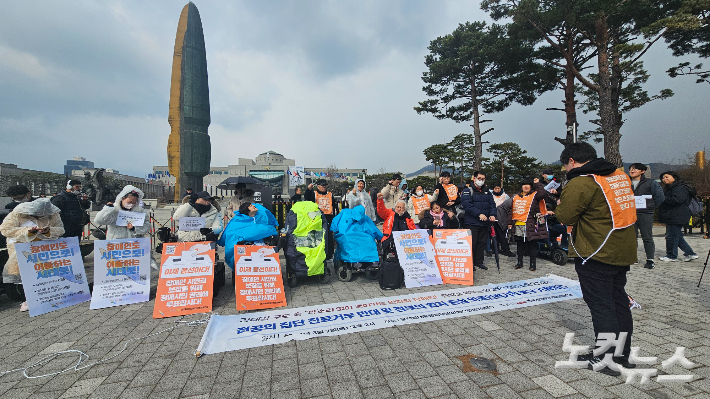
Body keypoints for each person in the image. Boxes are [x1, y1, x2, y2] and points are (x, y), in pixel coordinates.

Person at [555, 142, 637, 376]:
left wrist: (560, 203)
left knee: (602, 306)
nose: (566, 170)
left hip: (596, 250)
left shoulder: (582, 181)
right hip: (621, 249)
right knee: (619, 302)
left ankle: (606, 360)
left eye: (565, 166)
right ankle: (622, 355)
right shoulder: (618, 175)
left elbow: (565, 215)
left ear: (572, 161)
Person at [0, 198, 64, 312]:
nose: (41, 218)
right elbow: (5, 229)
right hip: (22, 249)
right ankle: (29, 300)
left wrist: (48, 231)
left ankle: (47, 297)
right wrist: (28, 231)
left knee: (44, 273)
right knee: (26, 275)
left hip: (44, 248)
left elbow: (60, 229)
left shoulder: (53, 214)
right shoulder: (17, 214)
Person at [628, 163, 665, 268]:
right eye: (630, 169)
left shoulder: (650, 183)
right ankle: (632, 258)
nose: (632, 171)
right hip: (630, 213)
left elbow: (660, 197)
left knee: (647, 237)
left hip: (645, 213)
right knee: (631, 237)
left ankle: (650, 259)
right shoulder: (626, 182)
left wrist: (651, 207)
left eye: (635, 169)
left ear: (642, 171)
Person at [508, 179, 549, 271]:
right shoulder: (515, 197)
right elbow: (511, 210)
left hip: (530, 224)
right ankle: (519, 262)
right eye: (523, 185)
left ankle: (533, 263)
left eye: (528, 185)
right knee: (520, 245)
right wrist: (509, 222)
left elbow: (543, 194)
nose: (525, 186)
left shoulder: (535, 195)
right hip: (518, 224)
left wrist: (538, 183)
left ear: (531, 187)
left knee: (532, 244)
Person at [658, 171, 698, 262]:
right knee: (677, 236)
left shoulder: (679, 188)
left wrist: (663, 199)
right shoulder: (670, 188)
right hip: (673, 214)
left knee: (671, 236)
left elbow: (678, 200)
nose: (665, 179)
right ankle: (690, 253)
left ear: (674, 177)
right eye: (663, 178)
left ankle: (671, 255)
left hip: (677, 215)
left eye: (667, 177)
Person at [460, 171, 496, 270]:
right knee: (472, 243)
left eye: (483, 179)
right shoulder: (467, 191)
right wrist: (479, 214)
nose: (481, 181)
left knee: (482, 243)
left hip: (484, 223)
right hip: (471, 222)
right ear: (474, 178)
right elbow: (467, 205)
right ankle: (470, 263)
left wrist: (493, 214)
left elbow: (492, 205)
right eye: (479, 178)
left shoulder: (487, 192)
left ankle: (479, 262)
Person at [305, 179, 338, 259]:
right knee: (318, 236)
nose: (324, 187)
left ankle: (329, 254)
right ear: (318, 186)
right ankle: (318, 253)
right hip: (317, 217)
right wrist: (308, 189)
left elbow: (334, 205)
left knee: (329, 236)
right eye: (322, 185)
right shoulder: (314, 193)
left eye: (325, 185)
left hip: (328, 216)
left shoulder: (330, 194)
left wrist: (335, 216)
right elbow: (307, 198)